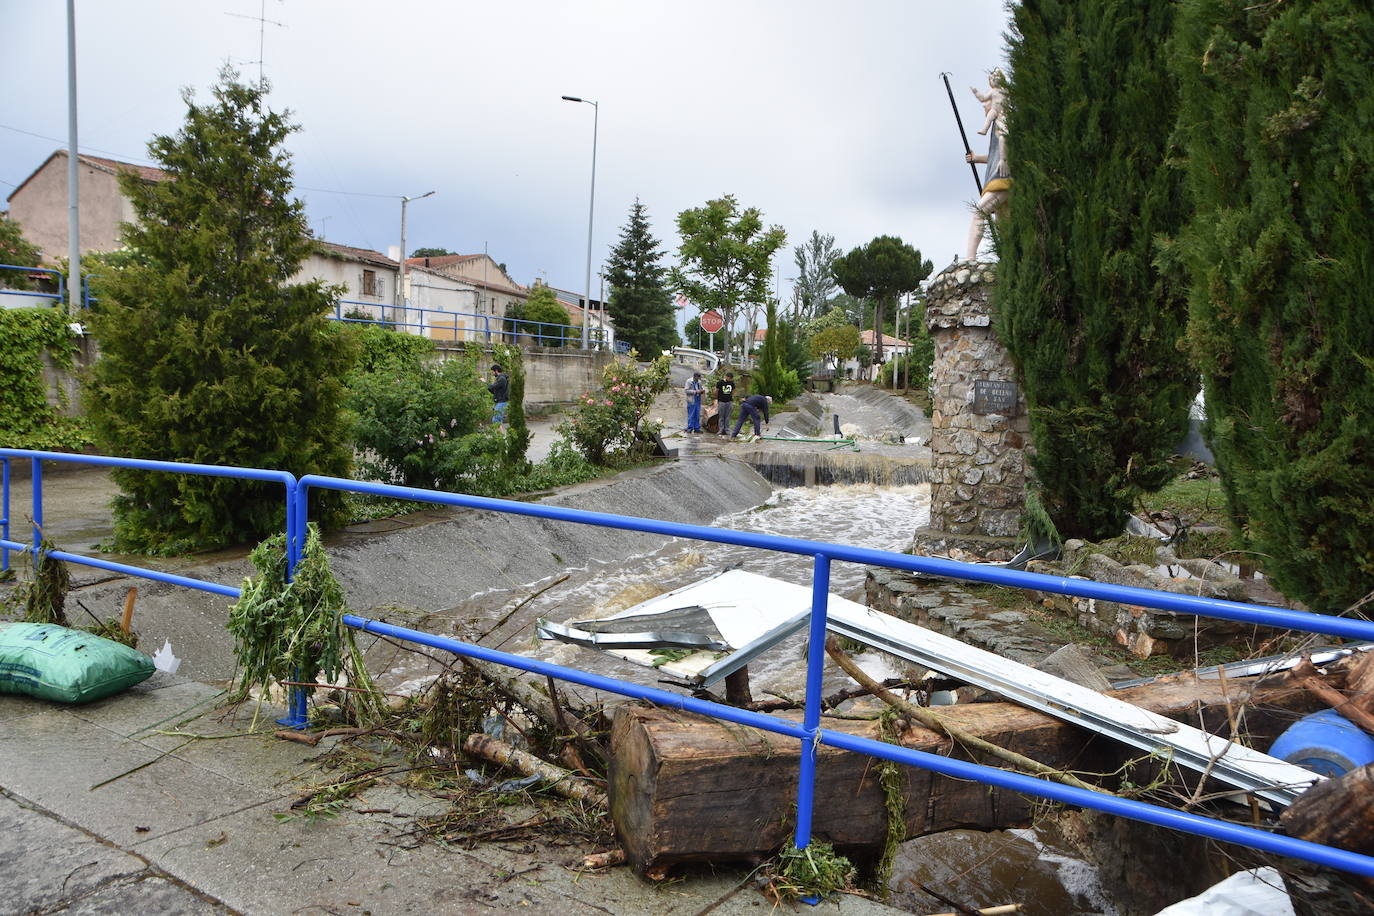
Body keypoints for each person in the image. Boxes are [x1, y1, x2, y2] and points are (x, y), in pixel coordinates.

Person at [965, 69, 1011, 261]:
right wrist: (977, 159)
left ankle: (970, 259)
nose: (984, 107)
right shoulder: (996, 126)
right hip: (999, 177)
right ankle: (1008, 261)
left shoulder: (1002, 122)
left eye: (986, 104)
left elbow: (1004, 141)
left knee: (979, 212)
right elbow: (995, 155)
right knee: (1004, 228)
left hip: (1002, 180)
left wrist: (1004, 161)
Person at [714, 371, 736, 437]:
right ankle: (721, 429)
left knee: (727, 416)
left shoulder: (731, 383)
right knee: (721, 416)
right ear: (726, 377)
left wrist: (731, 397)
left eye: (731, 378)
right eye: (729, 378)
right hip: (721, 401)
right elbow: (716, 391)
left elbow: (733, 391)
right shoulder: (720, 383)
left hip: (729, 401)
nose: (730, 379)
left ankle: (727, 429)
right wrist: (717, 398)